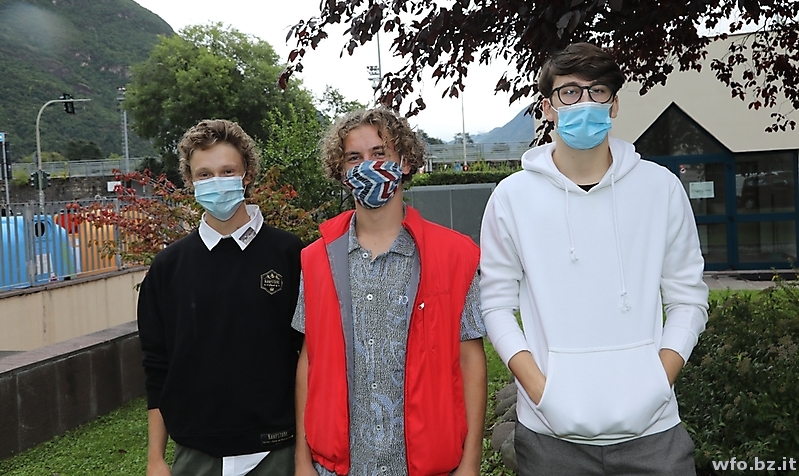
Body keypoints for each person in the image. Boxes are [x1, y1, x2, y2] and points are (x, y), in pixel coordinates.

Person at [480, 43, 709, 475]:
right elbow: (495, 305)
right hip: (549, 440)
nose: (584, 102)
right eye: (569, 92)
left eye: (597, 90)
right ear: (548, 107)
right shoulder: (512, 198)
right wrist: (541, 393)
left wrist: (657, 383)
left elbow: (688, 299)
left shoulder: (660, 188)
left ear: (614, 104)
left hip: (654, 436)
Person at [293, 107, 487, 476]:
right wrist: (303, 461)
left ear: (406, 161)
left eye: (379, 153)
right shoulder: (316, 260)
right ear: (342, 171)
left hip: (429, 466)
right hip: (339, 467)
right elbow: (309, 361)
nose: (368, 165)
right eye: (354, 157)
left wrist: (470, 462)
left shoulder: (454, 255)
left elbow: (470, 361)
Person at [137, 119, 304, 476]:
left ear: (247, 174)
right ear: (190, 181)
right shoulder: (167, 267)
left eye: (227, 171)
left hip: (276, 451)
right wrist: (155, 458)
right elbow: (157, 366)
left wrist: (304, 456)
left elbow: (310, 359)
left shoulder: (291, 255)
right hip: (196, 454)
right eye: (205, 174)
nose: (217, 182)